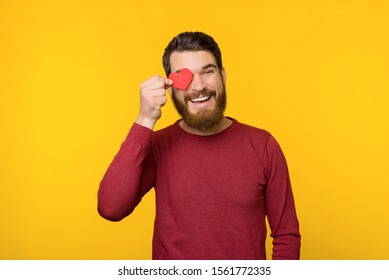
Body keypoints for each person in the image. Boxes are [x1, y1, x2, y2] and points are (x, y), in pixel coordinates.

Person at [98, 31, 301, 260]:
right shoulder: (158, 146)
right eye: (185, 76)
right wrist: (144, 119)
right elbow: (110, 208)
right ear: (169, 87)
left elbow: (286, 236)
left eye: (208, 72)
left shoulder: (263, 146)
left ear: (223, 76)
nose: (199, 86)